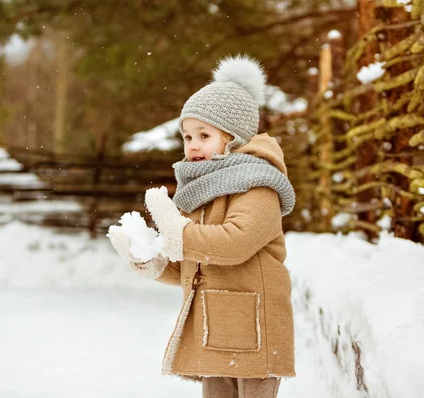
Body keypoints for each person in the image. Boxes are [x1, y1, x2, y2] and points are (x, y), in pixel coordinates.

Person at [109, 54, 296, 398]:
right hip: (216, 324)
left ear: (234, 138)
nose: (192, 144)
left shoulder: (260, 186)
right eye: (187, 135)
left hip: (255, 326)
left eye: (204, 135)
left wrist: (176, 231)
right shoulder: (203, 191)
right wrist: (154, 262)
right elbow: (193, 263)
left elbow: (232, 244)